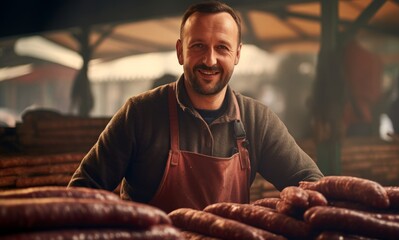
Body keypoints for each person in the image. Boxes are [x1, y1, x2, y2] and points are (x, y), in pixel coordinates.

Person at [68, 0, 323, 213]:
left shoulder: (257, 120)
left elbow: (312, 184)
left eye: (222, 47)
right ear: (180, 51)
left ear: (237, 54)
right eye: (198, 46)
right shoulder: (140, 114)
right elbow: (81, 193)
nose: (209, 59)